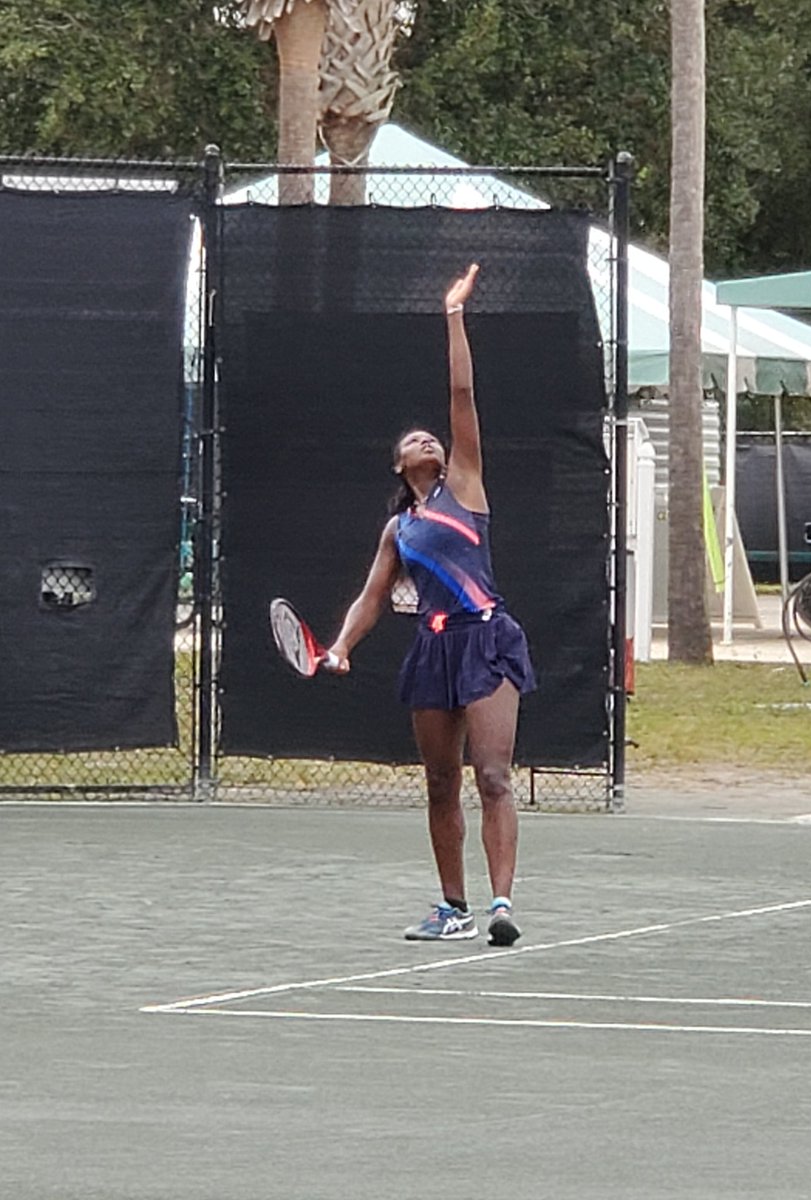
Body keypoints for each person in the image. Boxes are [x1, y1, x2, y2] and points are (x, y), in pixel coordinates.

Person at [328, 263, 536, 946]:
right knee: (441, 782)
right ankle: (454, 908)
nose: (426, 440)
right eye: (411, 441)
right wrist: (340, 648)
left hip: (486, 639)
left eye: (433, 438)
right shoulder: (400, 530)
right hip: (433, 647)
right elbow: (371, 599)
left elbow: (460, 391)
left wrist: (453, 314)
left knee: (494, 775)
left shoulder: (466, 486)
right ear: (398, 466)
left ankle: (501, 905)